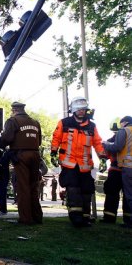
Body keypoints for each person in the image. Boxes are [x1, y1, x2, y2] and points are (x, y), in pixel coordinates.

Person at [51, 96, 106, 227]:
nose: (81, 111)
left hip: (85, 165)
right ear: (73, 110)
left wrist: (103, 158)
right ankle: (76, 218)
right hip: (69, 163)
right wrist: (53, 153)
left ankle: (85, 217)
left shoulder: (92, 126)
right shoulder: (64, 123)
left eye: (83, 109)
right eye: (79, 109)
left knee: (87, 191)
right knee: (73, 190)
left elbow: (98, 143)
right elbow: (56, 138)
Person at [0, 101, 43, 225]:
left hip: (21, 155)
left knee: (22, 187)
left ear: (14, 110)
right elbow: (38, 141)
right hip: (35, 155)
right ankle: (37, 216)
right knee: (33, 186)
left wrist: (0, 142)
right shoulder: (35, 122)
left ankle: (25, 218)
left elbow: (7, 139)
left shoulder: (13, 121)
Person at [102, 116, 132, 228]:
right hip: (123, 168)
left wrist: (105, 145)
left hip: (119, 168)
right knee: (127, 195)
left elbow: (113, 149)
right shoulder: (127, 134)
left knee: (114, 194)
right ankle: (127, 219)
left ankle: (110, 217)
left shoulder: (119, 136)